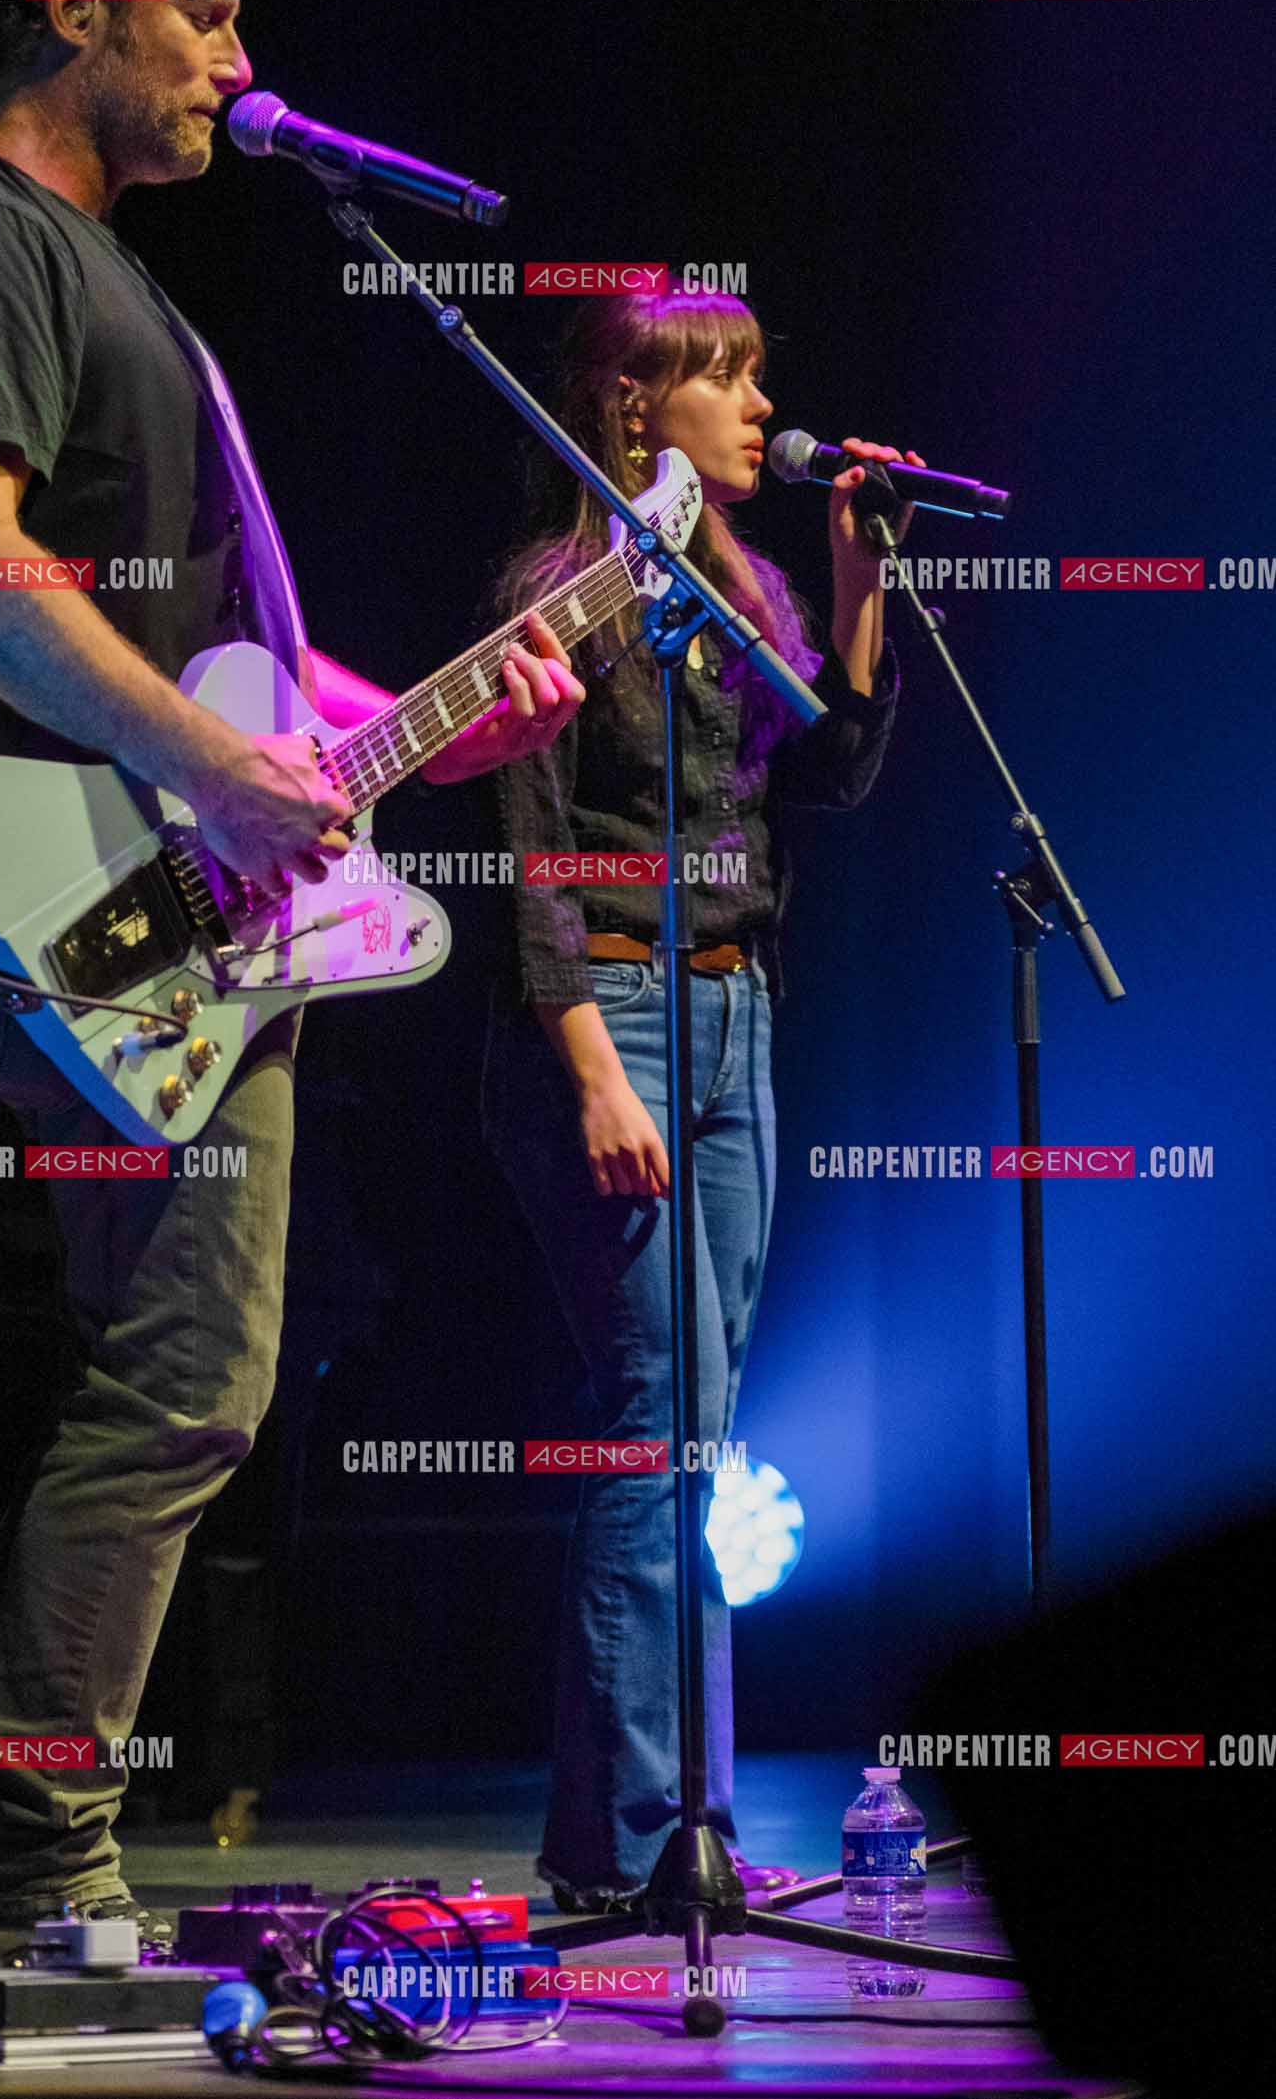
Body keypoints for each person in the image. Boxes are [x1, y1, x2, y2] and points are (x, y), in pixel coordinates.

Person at [0, 0, 582, 1967]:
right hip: (108, 915)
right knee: (180, 1380)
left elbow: (259, 690)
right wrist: (200, 763)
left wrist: (437, 726)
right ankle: (28, 1877)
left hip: (199, 915)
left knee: (183, 1380)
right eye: (209, 7)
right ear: (81, 1)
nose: (236, 57)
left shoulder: (129, 286)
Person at [481, 289, 919, 1908]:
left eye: (755, 371)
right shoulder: (563, 589)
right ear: (627, 409)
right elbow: (527, 855)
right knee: (653, 1434)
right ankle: (661, 1832)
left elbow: (837, 767)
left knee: (693, 1438)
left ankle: (638, 1838)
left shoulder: (736, 589)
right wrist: (591, 1064)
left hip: (742, 1016)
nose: (756, 403)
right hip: (623, 1016)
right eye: (721, 376)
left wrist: (862, 577)